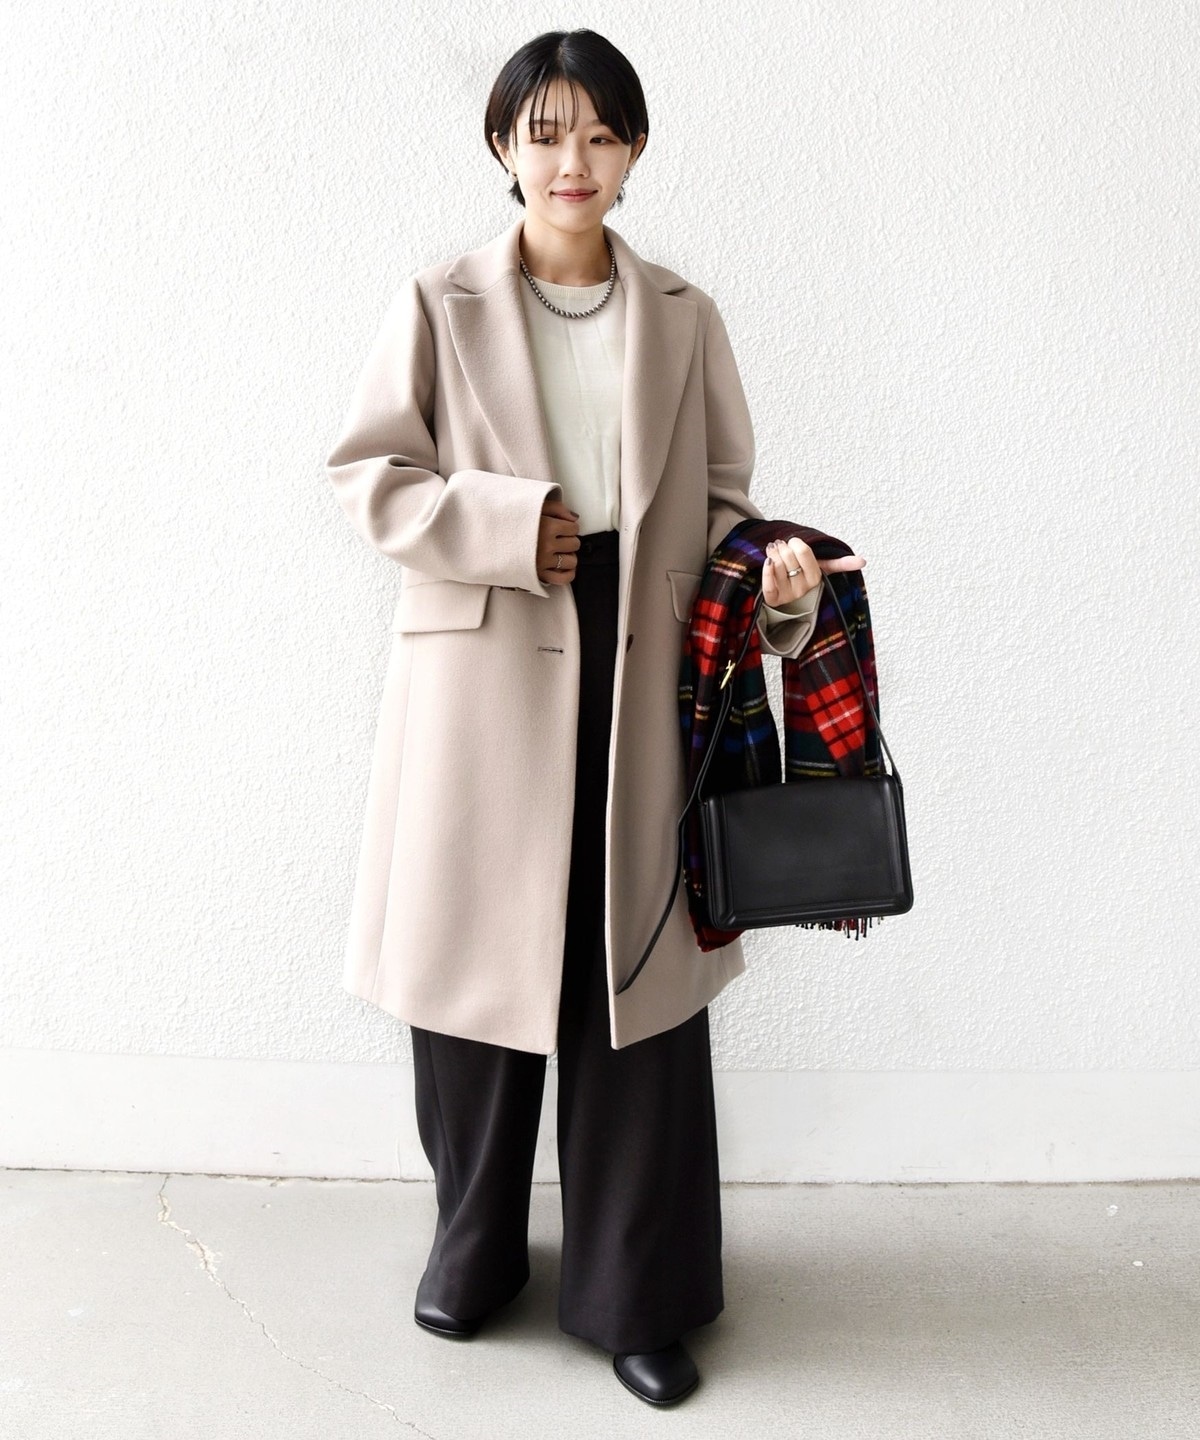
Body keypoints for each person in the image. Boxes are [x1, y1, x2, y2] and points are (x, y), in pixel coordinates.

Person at [324, 29, 866, 1408]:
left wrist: (778, 588)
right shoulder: (439, 302)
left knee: (636, 980)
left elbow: (728, 508)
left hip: (648, 662)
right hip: (491, 658)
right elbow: (371, 476)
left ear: (633, 151)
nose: (574, 160)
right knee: (476, 978)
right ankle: (474, 1247)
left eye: (601, 134)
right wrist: (513, 526)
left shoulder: (684, 314)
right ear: (504, 147)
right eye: (547, 132)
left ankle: (640, 1291)